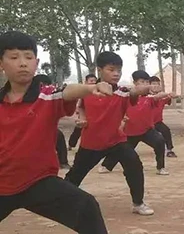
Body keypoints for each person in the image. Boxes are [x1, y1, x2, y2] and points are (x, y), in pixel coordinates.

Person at [0, 31, 144, 234]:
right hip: (2, 184)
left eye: (28, 57)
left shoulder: (46, 96)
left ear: (36, 61)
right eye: (14, 57)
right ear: (2, 63)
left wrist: (91, 88)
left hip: (37, 183)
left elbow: (67, 91)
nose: (22, 63)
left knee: (86, 206)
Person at [65, 51, 157, 216]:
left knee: (134, 164)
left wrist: (141, 89)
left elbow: (133, 94)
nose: (116, 73)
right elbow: (81, 107)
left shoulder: (121, 92)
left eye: (119, 70)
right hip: (91, 143)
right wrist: (83, 119)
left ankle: (138, 203)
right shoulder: (88, 91)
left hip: (116, 141)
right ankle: (60, 202)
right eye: (111, 69)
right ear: (100, 70)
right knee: (75, 175)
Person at [99, 71, 171, 176]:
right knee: (120, 149)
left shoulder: (149, 98)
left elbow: (158, 96)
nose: (145, 84)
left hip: (147, 131)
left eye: (147, 82)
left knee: (159, 141)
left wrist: (165, 94)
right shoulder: (126, 97)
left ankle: (161, 168)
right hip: (130, 132)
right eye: (142, 82)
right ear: (135, 83)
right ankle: (106, 165)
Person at [32, 74, 71, 170]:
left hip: (45, 127)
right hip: (29, 128)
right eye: (43, 85)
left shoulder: (50, 96)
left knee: (59, 135)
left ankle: (63, 162)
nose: (45, 88)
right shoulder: (28, 95)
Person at [149, 76, 177, 158]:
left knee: (166, 131)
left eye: (158, 84)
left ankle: (169, 150)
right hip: (145, 123)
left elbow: (169, 97)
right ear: (149, 85)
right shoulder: (144, 96)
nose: (156, 86)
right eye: (154, 84)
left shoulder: (162, 96)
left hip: (157, 122)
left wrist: (174, 95)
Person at [68, 74, 96, 150]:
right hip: (84, 117)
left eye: (94, 81)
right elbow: (79, 105)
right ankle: (71, 145)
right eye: (91, 81)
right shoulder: (84, 93)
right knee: (77, 132)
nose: (93, 82)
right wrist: (79, 112)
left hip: (93, 118)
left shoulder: (97, 92)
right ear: (86, 82)